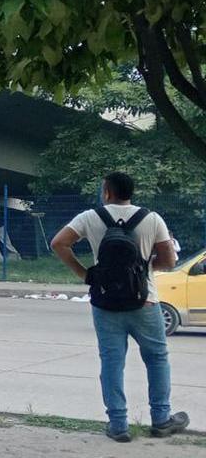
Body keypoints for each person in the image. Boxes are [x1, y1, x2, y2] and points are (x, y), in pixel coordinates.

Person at [51, 172, 189, 442]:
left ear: (106, 192)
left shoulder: (90, 217)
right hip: (145, 301)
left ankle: (118, 425)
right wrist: (146, 267)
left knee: (112, 362)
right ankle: (161, 419)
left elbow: (59, 243)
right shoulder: (151, 218)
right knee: (157, 359)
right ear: (131, 192)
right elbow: (170, 261)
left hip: (105, 303)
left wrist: (84, 273)